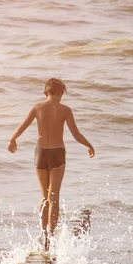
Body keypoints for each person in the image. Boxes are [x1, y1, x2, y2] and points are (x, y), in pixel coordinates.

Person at [7, 78, 95, 250]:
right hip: (57, 153)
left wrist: (12, 139)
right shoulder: (65, 110)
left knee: (44, 196)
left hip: (40, 153)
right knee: (54, 196)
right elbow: (76, 134)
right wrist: (89, 145)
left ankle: (43, 234)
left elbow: (21, 127)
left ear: (45, 93)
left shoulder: (37, 108)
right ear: (61, 93)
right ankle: (51, 236)